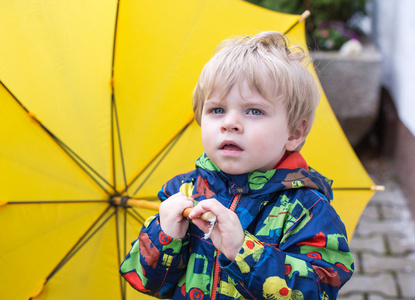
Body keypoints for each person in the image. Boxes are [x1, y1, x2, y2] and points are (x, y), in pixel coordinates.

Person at [120, 31, 353, 299]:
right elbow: (148, 282)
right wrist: (165, 235)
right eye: (217, 110)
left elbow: (320, 290)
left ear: (294, 133)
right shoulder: (183, 191)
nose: (229, 123)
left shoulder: (307, 209)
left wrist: (243, 250)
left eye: (254, 111)